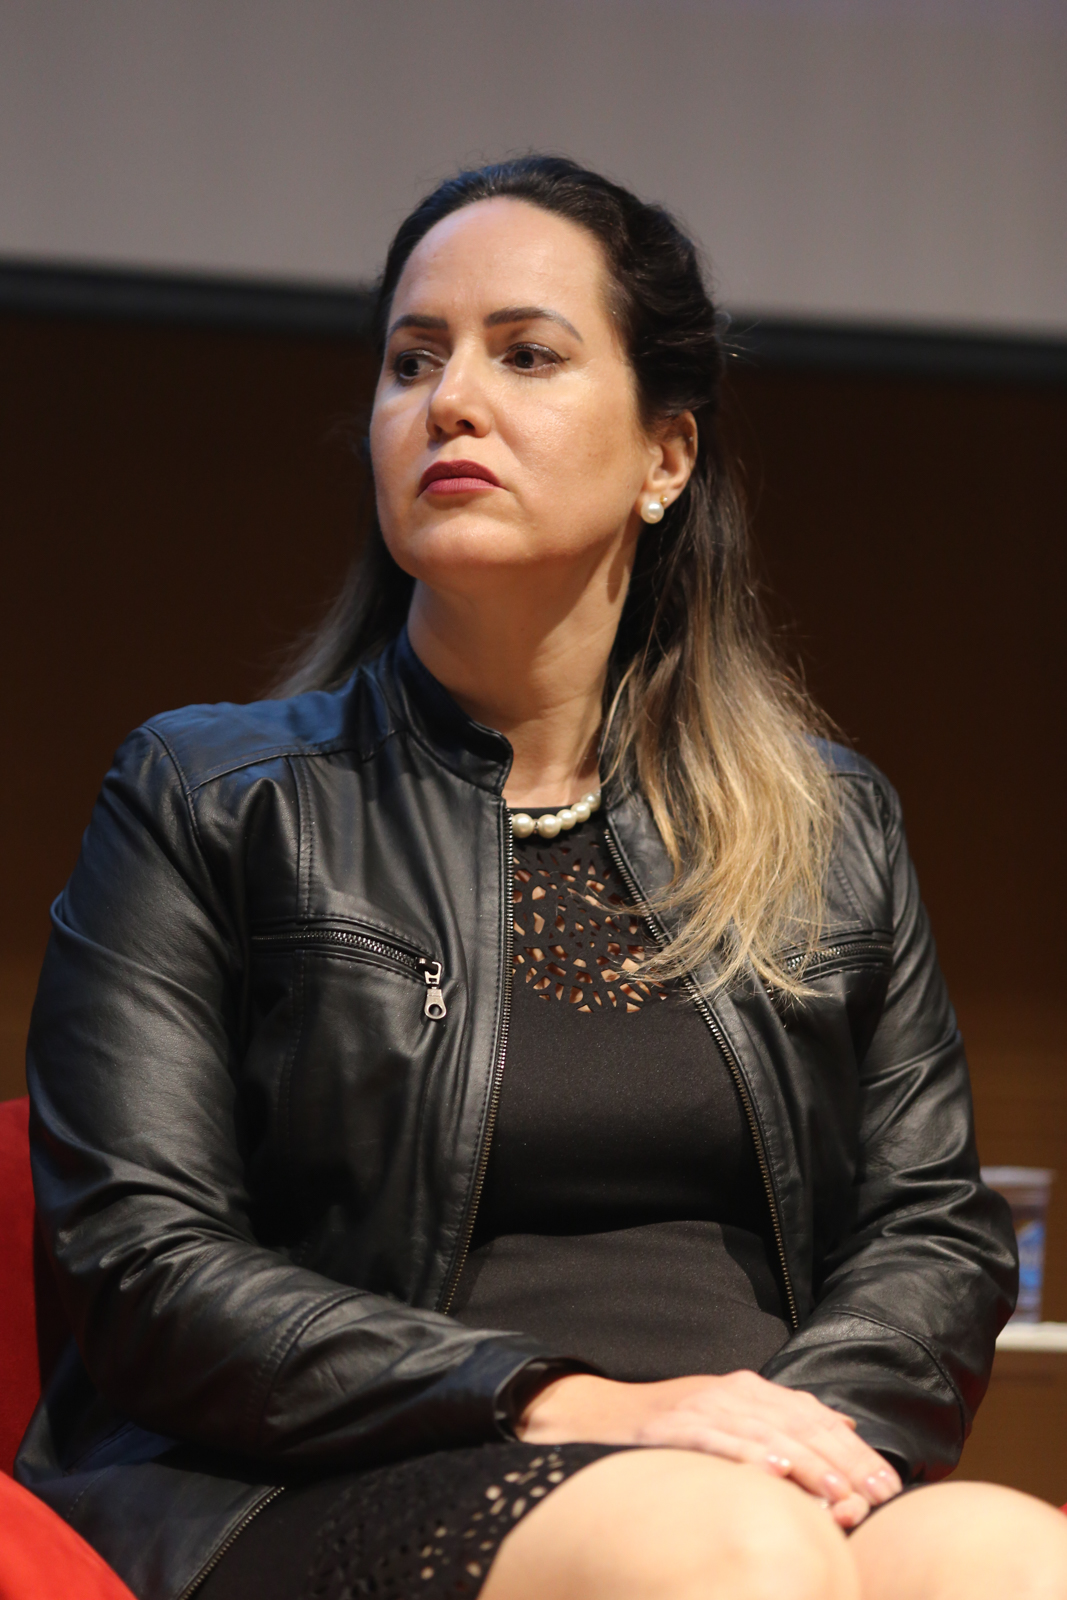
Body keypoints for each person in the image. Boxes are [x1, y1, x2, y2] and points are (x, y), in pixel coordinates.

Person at [17, 156, 1067, 1600]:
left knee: (1016, 1560)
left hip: (746, 1467)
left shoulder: (828, 827)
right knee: (725, 1554)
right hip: (335, 1475)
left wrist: (798, 1434)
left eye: (526, 354)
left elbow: (932, 1230)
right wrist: (568, 1403)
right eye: (412, 359)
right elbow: (140, 1262)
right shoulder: (213, 797)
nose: (449, 399)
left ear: (666, 457)